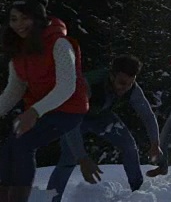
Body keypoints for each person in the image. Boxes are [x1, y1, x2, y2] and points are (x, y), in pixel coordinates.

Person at [0, 0, 89, 202]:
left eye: (25, 18)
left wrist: (34, 111)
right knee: (7, 148)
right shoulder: (18, 50)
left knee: (23, 144)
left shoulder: (59, 43)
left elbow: (67, 86)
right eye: (14, 19)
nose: (19, 25)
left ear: (38, 18)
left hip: (70, 109)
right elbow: (14, 89)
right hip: (42, 108)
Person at [46, 54, 162, 202]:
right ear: (111, 76)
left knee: (129, 146)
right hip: (73, 117)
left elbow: (147, 114)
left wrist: (155, 143)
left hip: (101, 116)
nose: (125, 88)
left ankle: (137, 194)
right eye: (121, 83)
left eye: (130, 84)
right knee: (68, 158)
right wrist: (82, 157)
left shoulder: (132, 89)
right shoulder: (88, 85)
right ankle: (50, 199)